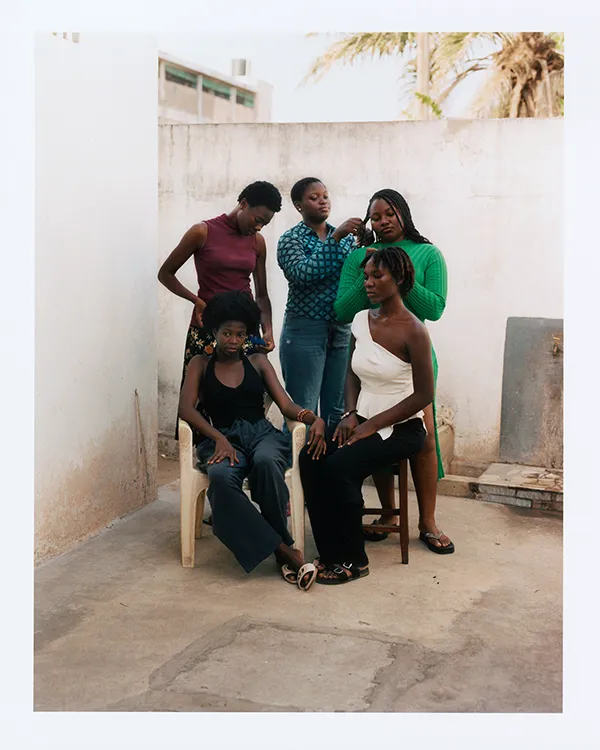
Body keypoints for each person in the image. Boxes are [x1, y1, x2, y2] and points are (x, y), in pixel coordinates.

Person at [300, 247, 433, 584]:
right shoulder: (361, 320)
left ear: (399, 278)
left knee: (340, 467)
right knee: (310, 457)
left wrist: (371, 425)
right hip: (361, 419)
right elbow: (351, 373)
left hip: (402, 427)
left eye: (377, 276)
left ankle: (354, 560)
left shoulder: (415, 331)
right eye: (366, 276)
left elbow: (424, 395)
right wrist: (350, 414)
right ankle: (331, 551)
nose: (368, 283)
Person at [179, 291, 326, 590]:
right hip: (221, 439)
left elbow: (286, 405)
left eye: (240, 334)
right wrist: (218, 437)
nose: (233, 340)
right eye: (227, 333)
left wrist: (314, 419)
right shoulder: (200, 364)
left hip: (261, 435)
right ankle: (284, 551)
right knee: (220, 478)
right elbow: (185, 409)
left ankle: (280, 549)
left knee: (268, 462)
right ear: (215, 331)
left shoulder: (258, 362)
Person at [334, 189, 454, 554]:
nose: (383, 221)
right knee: (375, 432)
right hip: (370, 362)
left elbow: (434, 309)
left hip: (411, 361)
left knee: (425, 440)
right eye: (375, 216)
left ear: (403, 213)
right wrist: (369, 271)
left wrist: (399, 274)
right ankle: (388, 511)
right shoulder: (358, 257)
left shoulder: (428, 253)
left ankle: (427, 521)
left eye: (389, 213)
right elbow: (343, 310)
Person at [159, 181, 282, 440]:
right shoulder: (202, 232)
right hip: (207, 330)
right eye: (258, 219)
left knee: (247, 397)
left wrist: (268, 330)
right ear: (243, 204)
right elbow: (165, 274)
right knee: (200, 400)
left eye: (265, 224)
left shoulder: (257, 242)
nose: (259, 227)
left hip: (245, 332)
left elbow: (261, 294)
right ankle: (204, 456)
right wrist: (195, 300)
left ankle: (247, 451)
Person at [277, 177, 363, 428]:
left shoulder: (346, 239)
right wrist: (335, 239)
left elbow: (353, 277)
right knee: (304, 408)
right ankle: (298, 455)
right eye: (314, 198)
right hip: (305, 329)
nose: (322, 201)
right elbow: (302, 274)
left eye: (325, 196)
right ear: (299, 205)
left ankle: (331, 454)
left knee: (337, 409)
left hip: (341, 330)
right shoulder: (291, 239)